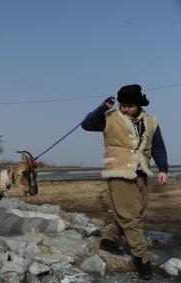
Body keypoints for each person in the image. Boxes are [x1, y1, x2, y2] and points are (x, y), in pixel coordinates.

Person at [81, 84, 168, 280]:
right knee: (131, 218)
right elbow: (86, 124)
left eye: (129, 106)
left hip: (141, 173)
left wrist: (163, 168)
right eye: (122, 105)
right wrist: (103, 107)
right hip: (118, 172)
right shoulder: (110, 117)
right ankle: (142, 260)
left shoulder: (151, 121)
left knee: (138, 211)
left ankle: (109, 240)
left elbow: (158, 146)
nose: (124, 109)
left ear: (138, 104)